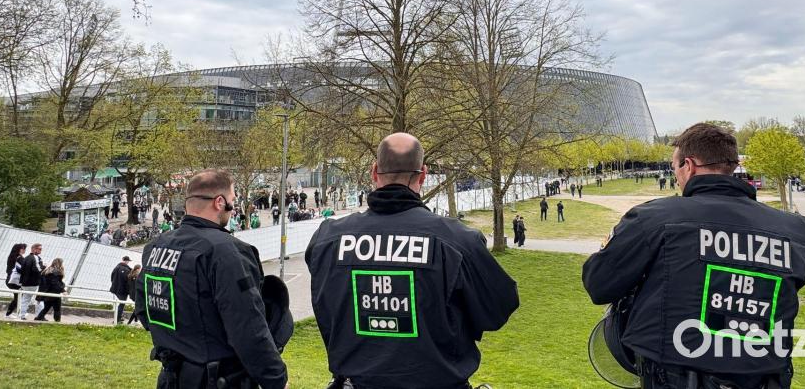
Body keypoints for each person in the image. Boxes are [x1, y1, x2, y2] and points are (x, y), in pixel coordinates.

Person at [582, 123, 805, 388]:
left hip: (675, 377)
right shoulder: (795, 231)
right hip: (764, 375)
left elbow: (599, 284)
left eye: (674, 169)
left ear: (689, 166)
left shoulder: (654, 219)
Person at [306, 133, 519, 389]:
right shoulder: (457, 241)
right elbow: (496, 310)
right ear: (423, 174)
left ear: (374, 172)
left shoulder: (328, 240)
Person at [136, 169, 289, 389]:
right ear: (220, 202)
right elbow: (248, 327)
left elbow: (145, 312)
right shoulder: (226, 252)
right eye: (233, 200)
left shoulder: (156, 247)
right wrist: (276, 379)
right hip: (219, 379)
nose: (234, 207)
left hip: (172, 377)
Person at [34, 258, 66, 322]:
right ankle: (57, 321)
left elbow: (46, 283)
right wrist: (63, 290)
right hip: (54, 293)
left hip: (47, 292)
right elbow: (56, 283)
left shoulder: (47, 271)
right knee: (57, 308)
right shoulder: (57, 272)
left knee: (46, 308)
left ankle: (39, 317)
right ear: (60, 263)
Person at [5, 243, 27, 318]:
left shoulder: (12, 256)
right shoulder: (18, 258)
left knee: (18, 296)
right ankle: (14, 313)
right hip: (14, 280)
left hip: (11, 279)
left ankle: (10, 313)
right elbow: (24, 268)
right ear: (19, 249)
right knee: (19, 296)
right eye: (23, 248)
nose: (24, 250)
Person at [110, 256, 132, 323]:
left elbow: (112, 277)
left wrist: (114, 284)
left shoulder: (116, 267)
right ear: (127, 261)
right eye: (128, 261)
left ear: (122, 260)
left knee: (120, 303)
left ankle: (120, 317)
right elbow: (128, 282)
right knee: (122, 304)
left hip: (115, 289)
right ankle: (117, 320)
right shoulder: (127, 270)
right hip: (123, 291)